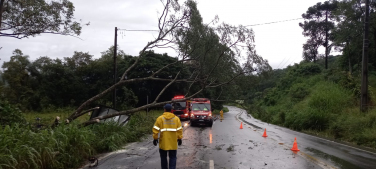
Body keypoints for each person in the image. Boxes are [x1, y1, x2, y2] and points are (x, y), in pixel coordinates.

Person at [152, 104, 183, 169]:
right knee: (173, 157)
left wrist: (155, 139)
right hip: (173, 143)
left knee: (163, 157)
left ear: (165, 109)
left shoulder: (160, 118)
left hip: (163, 142)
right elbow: (180, 130)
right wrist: (179, 138)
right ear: (171, 110)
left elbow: (155, 129)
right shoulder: (176, 119)